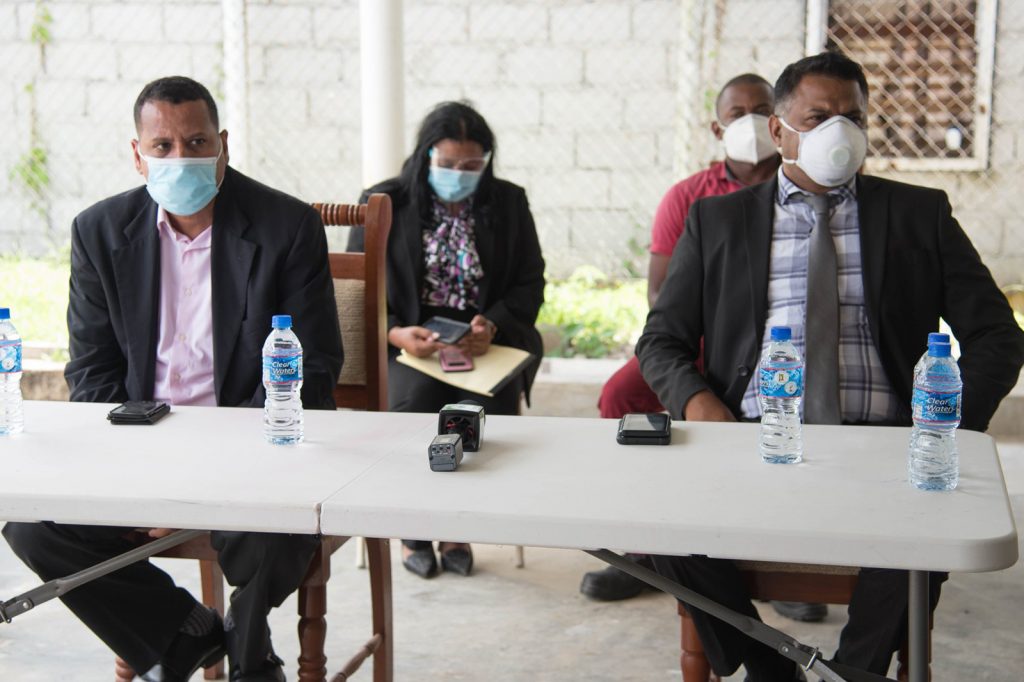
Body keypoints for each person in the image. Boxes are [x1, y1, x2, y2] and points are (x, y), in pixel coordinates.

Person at [636, 52, 1024, 680]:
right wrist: (701, 406)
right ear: (779, 130)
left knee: (921, 542)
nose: (839, 132)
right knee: (656, 522)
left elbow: (997, 336)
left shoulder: (918, 214)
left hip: (888, 447)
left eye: (854, 118)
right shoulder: (719, 221)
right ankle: (769, 665)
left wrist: (943, 428)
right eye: (818, 117)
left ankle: (851, 673)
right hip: (755, 439)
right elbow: (661, 340)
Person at [3, 76, 343, 682]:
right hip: (142, 447)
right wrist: (150, 478)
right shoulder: (99, 231)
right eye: (162, 146)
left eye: (197, 142)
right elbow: (92, 372)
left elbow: (312, 368)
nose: (180, 157)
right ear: (137, 155)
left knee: (272, 529)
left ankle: (247, 646)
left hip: (255, 452)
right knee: (34, 526)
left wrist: (206, 481)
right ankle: (185, 633)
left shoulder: (286, 225)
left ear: (223, 146)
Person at [583, 74, 811, 618]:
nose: (748, 122)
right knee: (621, 396)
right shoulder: (689, 197)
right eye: (736, 113)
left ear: (780, 124)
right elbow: (661, 297)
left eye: (760, 109)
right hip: (701, 345)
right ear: (716, 128)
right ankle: (642, 549)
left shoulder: (806, 188)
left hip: (776, 347)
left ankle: (778, 562)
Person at [347, 101, 545, 579]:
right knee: (413, 404)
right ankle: (412, 529)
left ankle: (457, 527)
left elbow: (530, 281)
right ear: (426, 155)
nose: (459, 174)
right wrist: (394, 331)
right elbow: (356, 287)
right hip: (407, 340)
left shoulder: (508, 202)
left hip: (484, 341)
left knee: (480, 413)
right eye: (449, 163)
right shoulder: (384, 201)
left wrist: (491, 325)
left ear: (487, 161)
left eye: (471, 165)